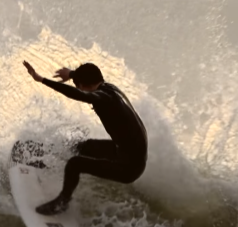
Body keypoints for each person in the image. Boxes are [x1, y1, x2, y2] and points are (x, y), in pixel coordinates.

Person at [21, 60, 148, 215]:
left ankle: (62, 203)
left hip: (129, 168)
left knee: (75, 164)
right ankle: (45, 161)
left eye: (78, 85)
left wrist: (41, 79)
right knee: (82, 146)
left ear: (82, 85)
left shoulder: (104, 97)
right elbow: (87, 78)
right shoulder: (110, 88)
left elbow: (78, 94)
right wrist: (71, 74)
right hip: (126, 152)